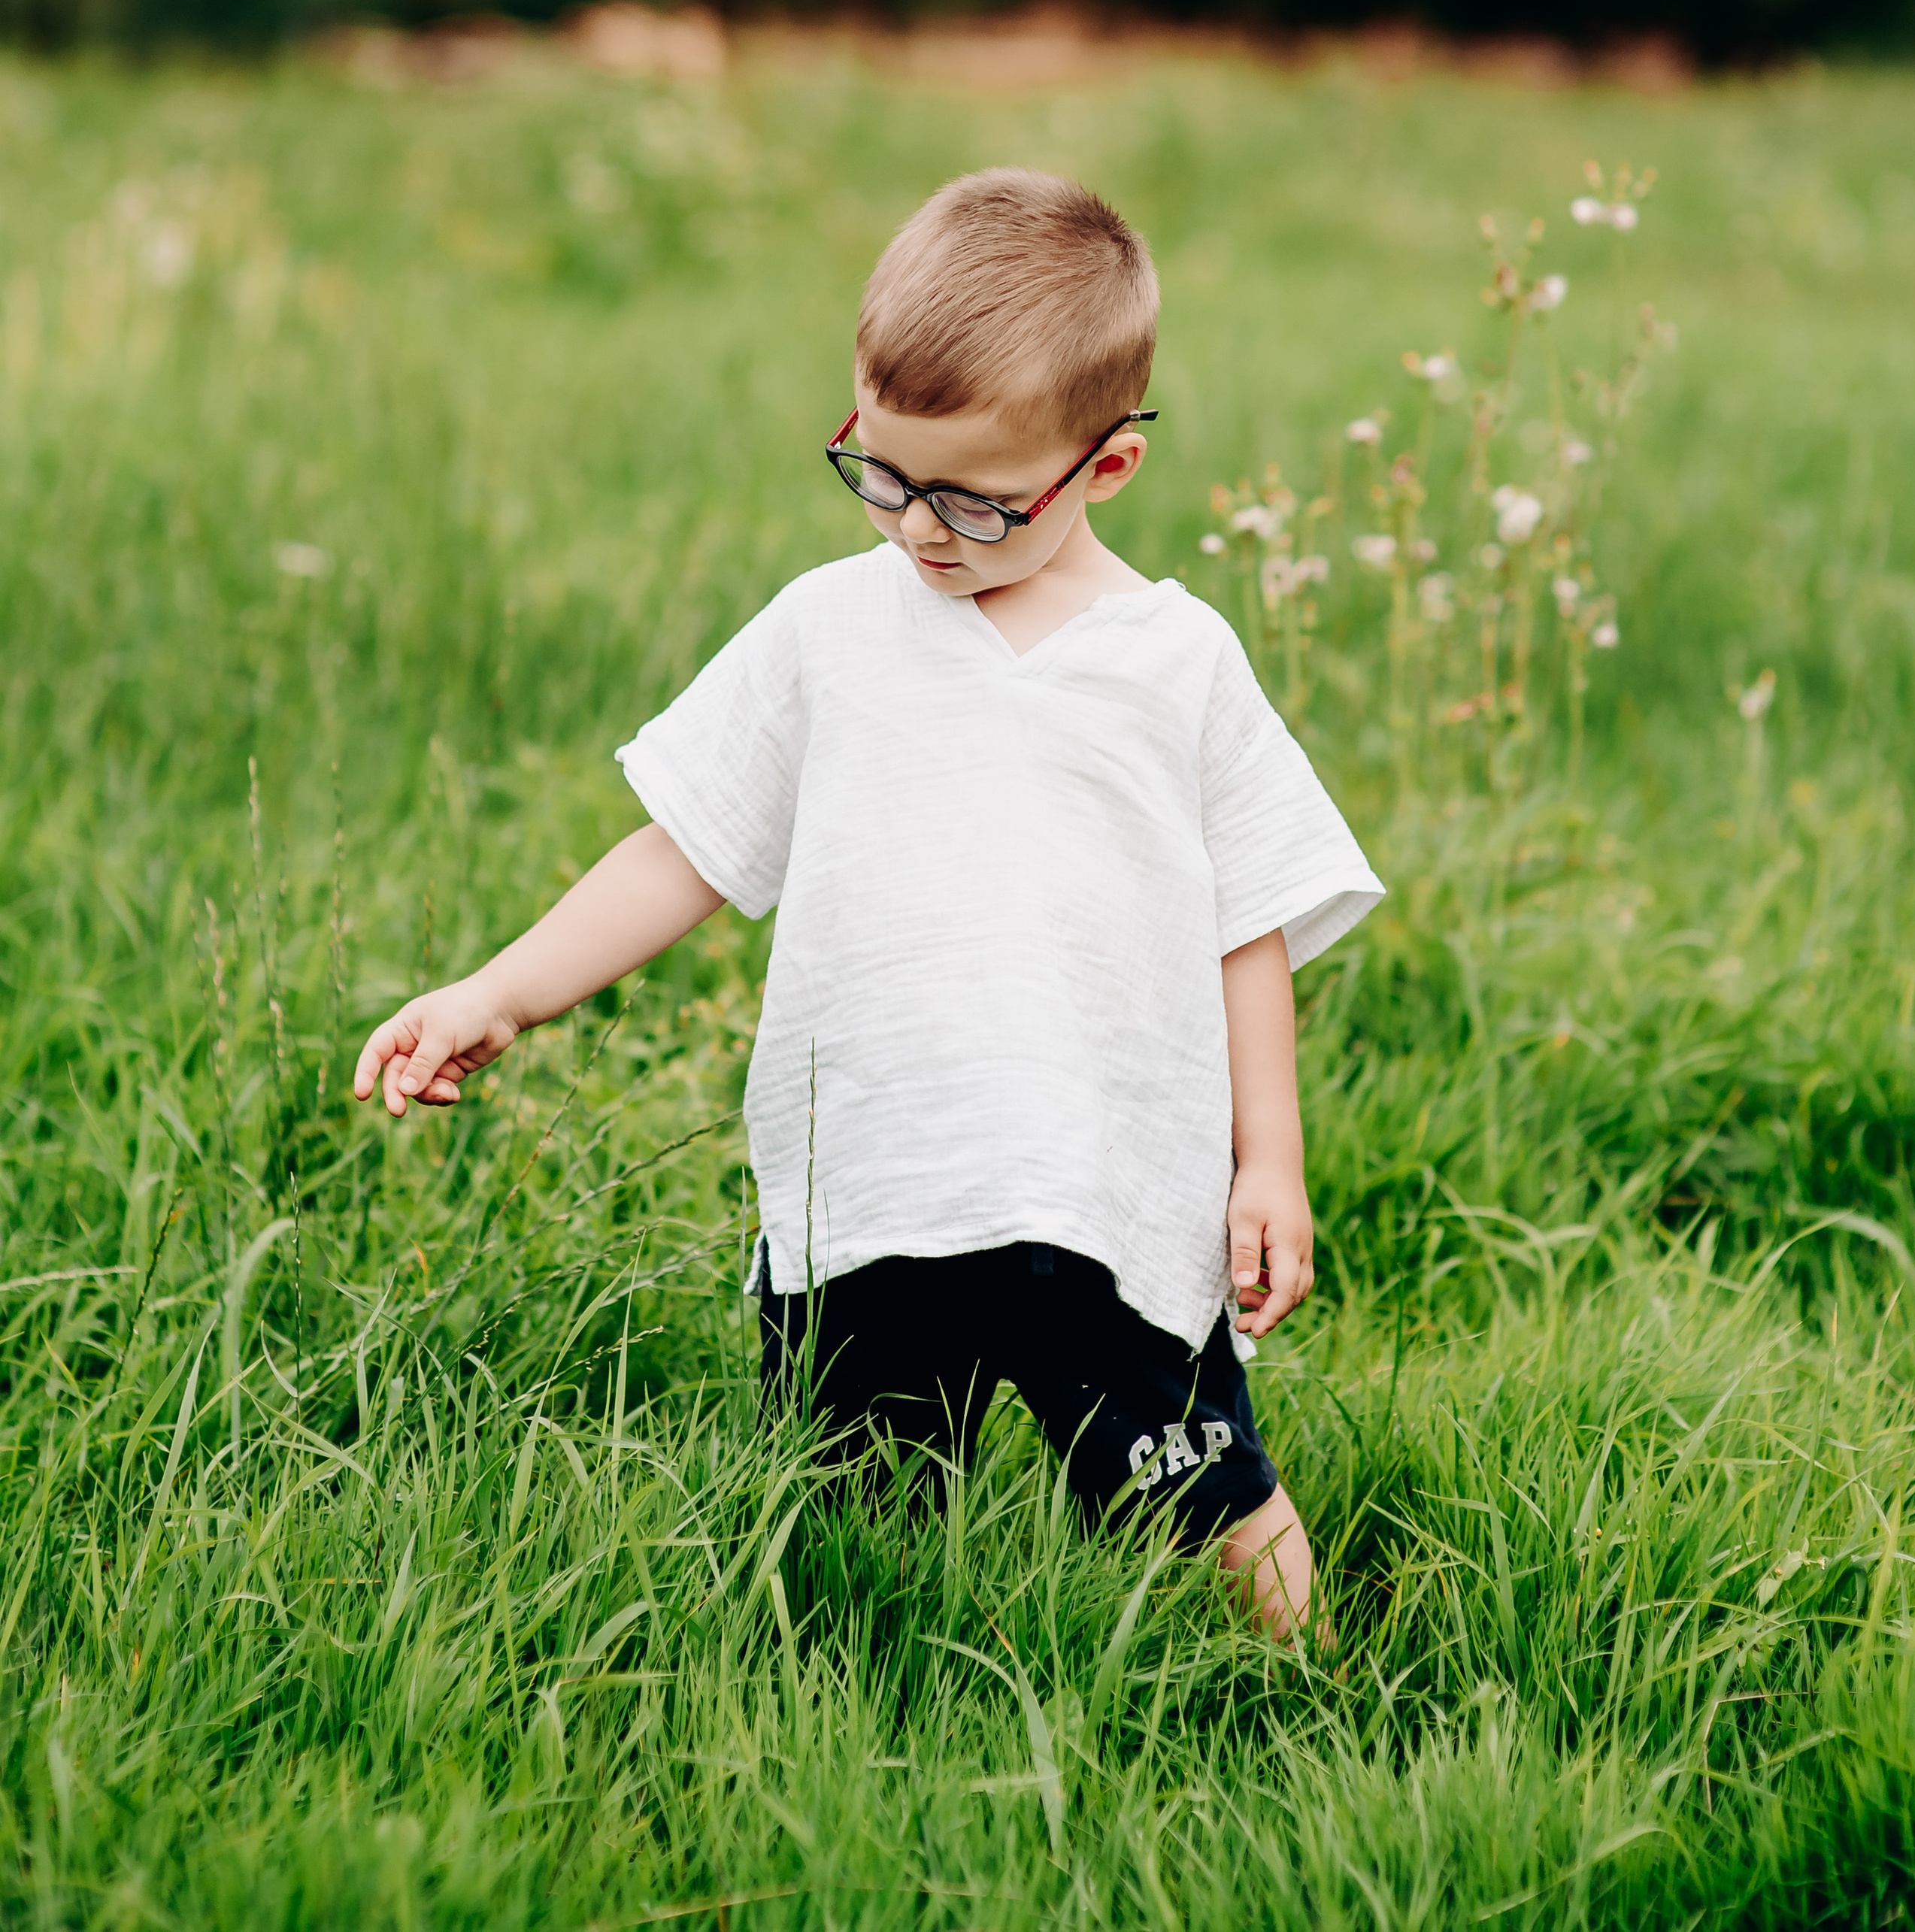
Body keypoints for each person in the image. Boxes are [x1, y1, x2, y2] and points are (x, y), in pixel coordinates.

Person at [352, 168, 1383, 1638]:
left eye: (969, 498)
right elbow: (685, 849)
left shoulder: (1177, 661)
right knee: (859, 1528)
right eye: (879, 474)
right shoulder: (826, 636)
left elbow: (1249, 920)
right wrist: (495, 993)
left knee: (1197, 1486)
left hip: (1102, 1187)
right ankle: (885, 1717)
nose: (915, 530)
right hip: (876, 1188)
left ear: (1102, 469)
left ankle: (1318, 1702)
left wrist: (1264, 1161)